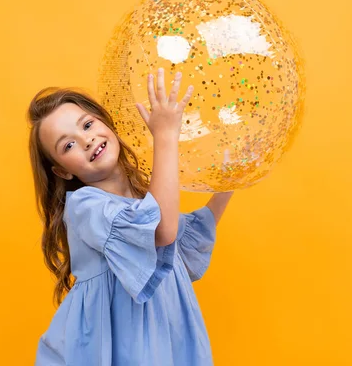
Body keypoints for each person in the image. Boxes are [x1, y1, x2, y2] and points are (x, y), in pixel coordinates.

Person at [28, 68, 234, 365]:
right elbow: (163, 233)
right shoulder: (86, 207)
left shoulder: (144, 202)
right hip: (125, 349)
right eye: (68, 145)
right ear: (63, 171)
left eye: (87, 125)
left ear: (107, 124)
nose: (85, 140)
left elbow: (180, 251)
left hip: (168, 341)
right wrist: (165, 135)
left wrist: (230, 182)